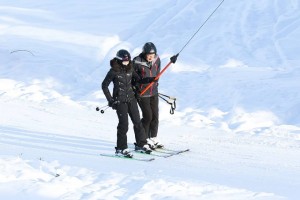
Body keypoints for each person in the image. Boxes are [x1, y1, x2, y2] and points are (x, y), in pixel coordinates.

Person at [102, 49, 155, 157]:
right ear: (119, 60)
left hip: (131, 99)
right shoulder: (113, 71)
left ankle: (141, 144)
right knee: (124, 125)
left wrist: (149, 79)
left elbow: (138, 79)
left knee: (138, 122)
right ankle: (121, 149)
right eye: (124, 61)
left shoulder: (130, 68)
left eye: (128, 61)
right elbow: (104, 85)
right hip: (120, 101)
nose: (126, 63)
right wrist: (111, 100)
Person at [133, 42, 164, 149]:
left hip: (153, 92)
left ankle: (153, 138)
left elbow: (157, 73)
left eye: (153, 54)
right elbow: (133, 78)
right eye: (149, 55)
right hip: (142, 93)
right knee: (148, 117)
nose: (151, 57)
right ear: (144, 53)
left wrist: (155, 84)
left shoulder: (157, 59)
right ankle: (143, 139)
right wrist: (136, 89)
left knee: (155, 116)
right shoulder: (136, 62)